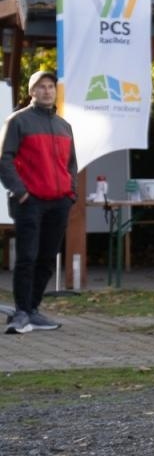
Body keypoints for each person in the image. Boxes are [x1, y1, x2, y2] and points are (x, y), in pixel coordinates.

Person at [1, 70, 73, 334]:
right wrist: (20, 191)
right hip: (29, 201)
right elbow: (4, 159)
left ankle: (32, 309)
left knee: (46, 258)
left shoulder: (64, 126)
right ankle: (21, 312)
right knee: (27, 257)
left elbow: (71, 164)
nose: (47, 91)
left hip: (59, 202)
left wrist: (70, 192)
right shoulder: (18, 121)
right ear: (32, 92)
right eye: (41, 87)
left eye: (51, 86)